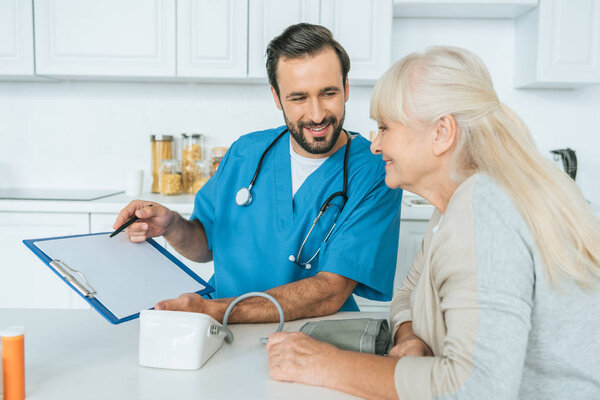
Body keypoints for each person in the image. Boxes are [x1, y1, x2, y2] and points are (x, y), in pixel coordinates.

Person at [266, 46, 600, 399]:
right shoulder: (455, 204)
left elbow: (475, 389)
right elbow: (406, 294)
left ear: (442, 132)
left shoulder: (488, 209)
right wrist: (409, 337)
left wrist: (321, 363)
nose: (375, 145)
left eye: (384, 127)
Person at [113, 23, 402, 323]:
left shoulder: (375, 170)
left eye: (328, 93)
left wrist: (213, 310)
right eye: (298, 98)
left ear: (346, 87)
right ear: (276, 97)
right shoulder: (245, 152)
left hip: (314, 338)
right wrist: (172, 225)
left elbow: (332, 290)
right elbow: (205, 244)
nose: (317, 114)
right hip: (221, 332)